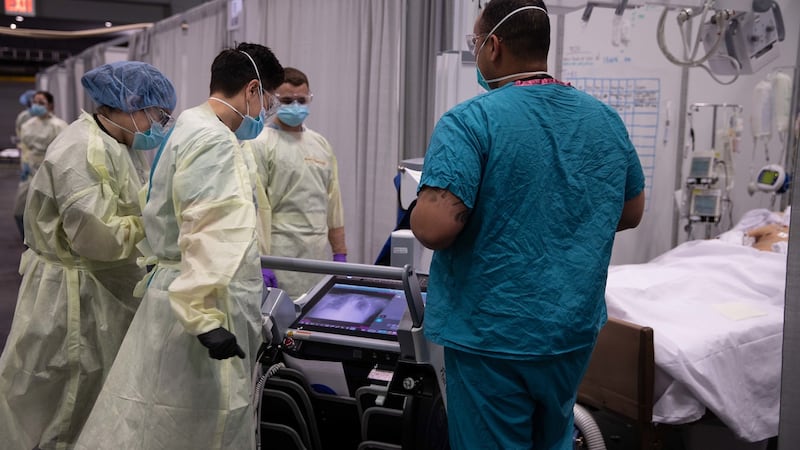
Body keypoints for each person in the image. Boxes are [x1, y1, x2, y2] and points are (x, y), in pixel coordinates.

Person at [409, 1, 646, 449]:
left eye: (475, 44)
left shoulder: (471, 121)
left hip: (493, 334)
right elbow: (630, 211)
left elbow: (435, 227)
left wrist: (419, 203)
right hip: (569, 331)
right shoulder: (603, 119)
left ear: (493, 46)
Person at [74, 43, 284, 450]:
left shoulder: (190, 124)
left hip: (176, 295)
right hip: (201, 307)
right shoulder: (215, 142)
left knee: (153, 420)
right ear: (253, 89)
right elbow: (208, 231)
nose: (266, 113)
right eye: (270, 101)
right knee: (199, 427)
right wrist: (203, 316)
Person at [0, 61, 177, 450]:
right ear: (131, 104)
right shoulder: (81, 148)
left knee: (91, 392)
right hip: (68, 296)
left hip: (98, 287)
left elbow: (134, 200)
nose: (160, 125)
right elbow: (96, 237)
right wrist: (157, 223)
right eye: (158, 115)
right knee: (59, 394)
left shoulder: (120, 144)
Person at [247, 67, 347, 300]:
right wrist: (261, 261)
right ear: (274, 99)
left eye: (301, 100)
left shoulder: (320, 143)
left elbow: (334, 203)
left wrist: (340, 254)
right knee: (281, 331)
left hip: (317, 257)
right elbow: (255, 210)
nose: (295, 106)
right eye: (288, 100)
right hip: (279, 255)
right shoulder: (260, 143)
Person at [12, 90, 68, 239]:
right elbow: (23, 146)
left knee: (47, 211)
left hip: (49, 170)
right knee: (19, 209)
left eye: (41, 102)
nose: (36, 105)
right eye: (34, 102)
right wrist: (24, 163)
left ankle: (46, 242)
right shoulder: (27, 124)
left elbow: (64, 151)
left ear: (50, 105)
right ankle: (28, 239)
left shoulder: (59, 126)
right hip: (30, 169)